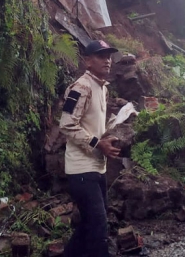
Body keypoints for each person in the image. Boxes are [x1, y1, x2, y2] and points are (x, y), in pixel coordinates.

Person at [60, 40, 121, 257]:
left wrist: (108, 138)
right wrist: (97, 143)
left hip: (97, 168)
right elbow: (66, 124)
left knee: (89, 224)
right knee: (98, 227)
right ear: (88, 61)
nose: (107, 60)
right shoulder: (81, 87)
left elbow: (92, 126)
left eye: (109, 56)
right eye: (101, 56)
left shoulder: (102, 88)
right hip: (81, 170)